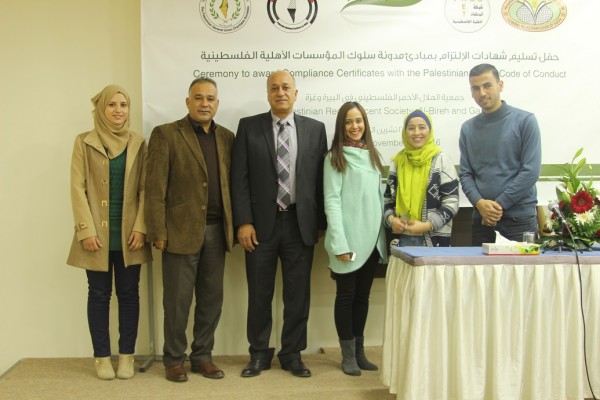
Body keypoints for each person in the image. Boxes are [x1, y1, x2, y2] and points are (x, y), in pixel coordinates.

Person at [231, 70, 327, 378]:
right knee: (259, 293)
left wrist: (321, 224)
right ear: (268, 94)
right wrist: (243, 222)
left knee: (298, 295)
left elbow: (321, 181)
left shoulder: (315, 129)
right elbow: (239, 178)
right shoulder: (249, 127)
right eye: (274, 88)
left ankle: (292, 354)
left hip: (300, 224)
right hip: (260, 227)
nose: (280, 92)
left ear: (295, 93)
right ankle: (258, 354)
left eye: (286, 87)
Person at [144, 77, 234, 382]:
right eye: (198, 98)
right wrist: (158, 231)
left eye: (210, 98)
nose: (204, 103)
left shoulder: (227, 138)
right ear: (188, 102)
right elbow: (154, 188)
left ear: (217, 104)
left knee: (211, 301)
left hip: (217, 232)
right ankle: (173, 359)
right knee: (177, 301)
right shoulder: (166, 134)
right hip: (179, 232)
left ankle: (202, 357)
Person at [67, 85, 151, 380]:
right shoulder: (84, 141)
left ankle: (126, 356)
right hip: (96, 238)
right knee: (99, 295)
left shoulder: (139, 142)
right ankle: (102, 357)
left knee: (129, 295)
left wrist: (141, 226)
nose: (118, 110)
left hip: (130, 237)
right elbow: (77, 187)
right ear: (101, 109)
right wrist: (86, 230)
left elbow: (145, 189)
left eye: (123, 105)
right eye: (112, 105)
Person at [323, 102, 387, 376]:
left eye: (359, 120)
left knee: (363, 297)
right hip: (348, 242)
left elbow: (377, 200)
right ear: (341, 126)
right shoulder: (335, 157)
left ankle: (360, 353)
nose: (354, 126)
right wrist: (340, 243)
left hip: (372, 242)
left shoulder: (372, 155)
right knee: (346, 296)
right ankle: (347, 354)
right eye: (348, 122)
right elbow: (332, 201)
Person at [459, 64, 541, 246]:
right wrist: (480, 204)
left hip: (519, 220)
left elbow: (530, 172)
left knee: (521, 267)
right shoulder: (467, 128)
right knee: (480, 267)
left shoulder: (525, 121)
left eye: (487, 85)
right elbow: (465, 174)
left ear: (500, 85)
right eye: (475, 88)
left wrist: (497, 206)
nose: (482, 93)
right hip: (482, 220)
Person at [383, 110, 459, 247]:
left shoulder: (442, 161)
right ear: (405, 132)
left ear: (430, 130)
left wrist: (427, 225)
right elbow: (388, 200)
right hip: (402, 239)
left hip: (435, 240)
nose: (416, 132)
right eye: (411, 128)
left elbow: (451, 202)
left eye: (422, 127)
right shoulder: (397, 162)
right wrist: (391, 219)